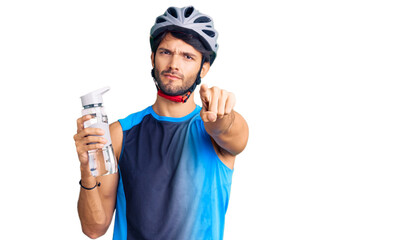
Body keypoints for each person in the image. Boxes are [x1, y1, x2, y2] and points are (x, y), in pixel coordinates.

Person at [73, 6, 249, 240]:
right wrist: (86, 169)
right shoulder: (119, 134)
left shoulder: (215, 131)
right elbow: (94, 228)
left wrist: (222, 116)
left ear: (203, 68)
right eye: (166, 52)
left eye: (188, 56)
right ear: (153, 58)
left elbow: (228, 130)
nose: (174, 64)